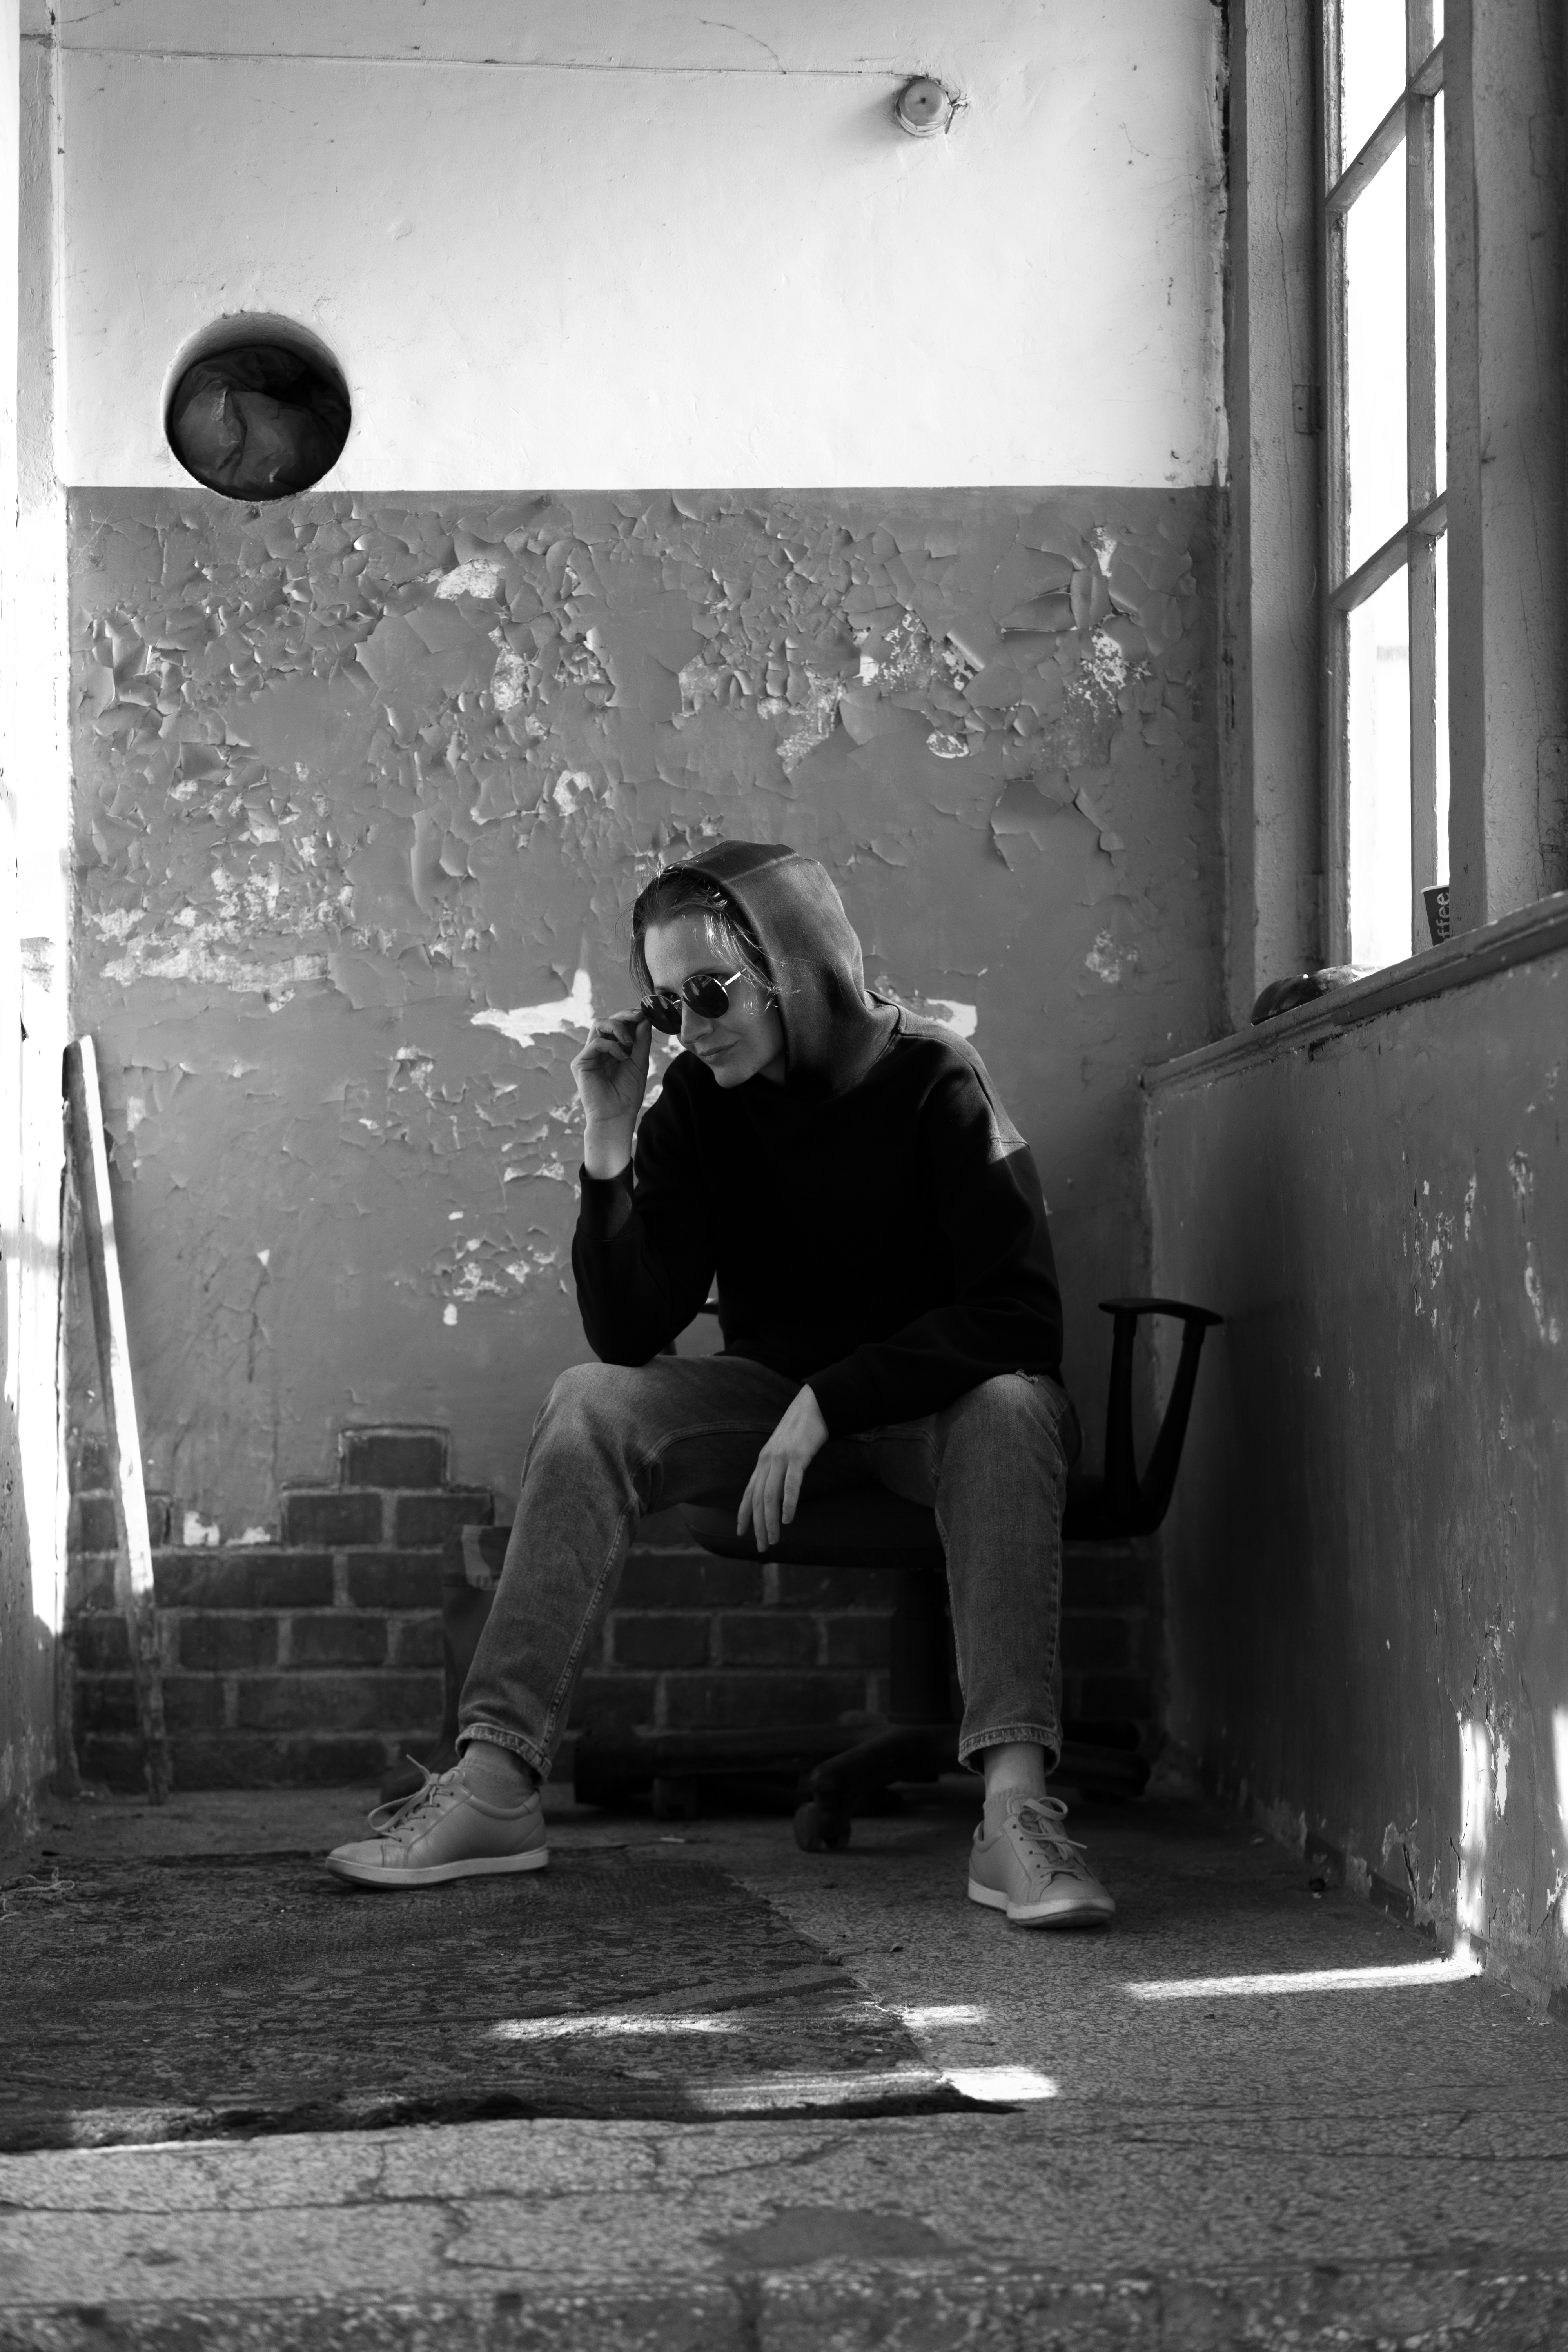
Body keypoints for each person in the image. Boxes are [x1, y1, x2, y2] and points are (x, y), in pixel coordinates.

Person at [326, 841, 1114, 1926]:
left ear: (793, 966)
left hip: (939, 1416)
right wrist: (608, 1138)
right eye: (666, 1005)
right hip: (772, 1407)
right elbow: (632, 1326)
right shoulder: (698, 1103)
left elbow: (1020, 1318)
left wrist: (832, 1396)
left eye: (710, 993)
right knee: (588, 1401)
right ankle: (498, 1785)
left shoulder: (934, 1076)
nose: (691, 1029)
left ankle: (1015, 1819)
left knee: (1016, 1401)